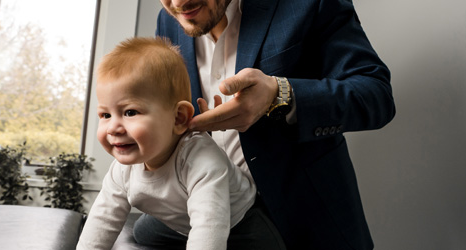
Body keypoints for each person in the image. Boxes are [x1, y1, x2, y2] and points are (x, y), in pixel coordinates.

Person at [143, 0, 397, 249]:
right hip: (208, 225)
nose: (179, 2)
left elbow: (375, 95)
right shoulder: (170, 19)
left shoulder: (309, 3)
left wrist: (280, 94)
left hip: (303, 223)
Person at [76, 37, 283, 250]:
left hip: (239, 222)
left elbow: (208, 228)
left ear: (179, 118)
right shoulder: (122, 170)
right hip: (180, 221)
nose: (113, 128)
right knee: (141, 231)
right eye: (105, 114)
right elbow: (103, 218)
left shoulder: (202, 161)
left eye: (130, 112)